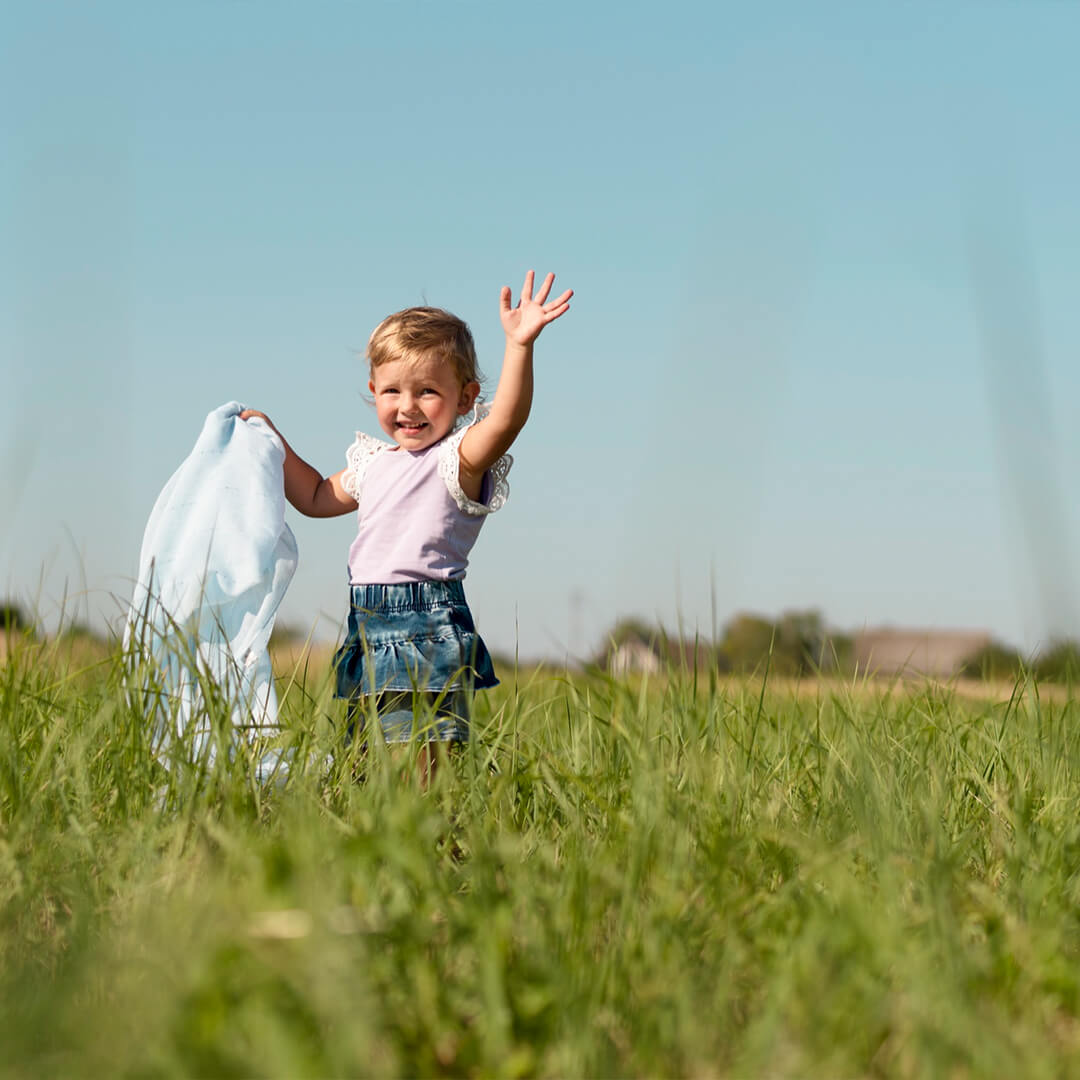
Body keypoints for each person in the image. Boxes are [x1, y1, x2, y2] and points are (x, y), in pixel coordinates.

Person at [241, 270, 572, 781]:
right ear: (373, 391)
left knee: (422, 762)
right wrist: (269, 437)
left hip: (426, 620)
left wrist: (519, 345)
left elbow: (506, 420)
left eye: (427, 392)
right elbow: (311, 495)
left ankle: (439, 848)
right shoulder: (373, 463)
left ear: (464, 399)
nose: (407, 406)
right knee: (364, 760)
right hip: (367, 621)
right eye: (392, 390)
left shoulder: (457, 458)